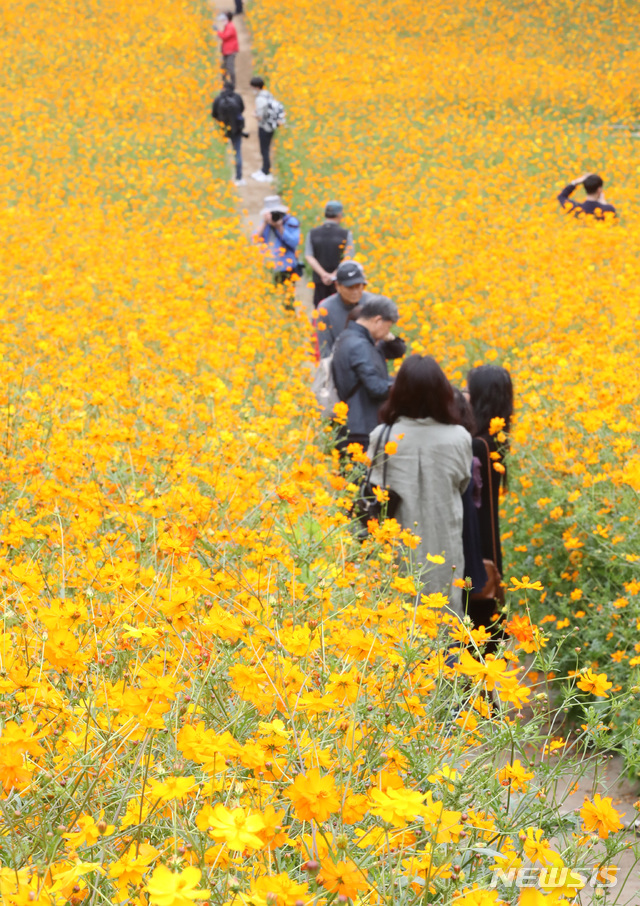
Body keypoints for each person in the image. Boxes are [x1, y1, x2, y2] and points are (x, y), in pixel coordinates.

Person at [369, 356, 472, 616]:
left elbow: (376, 490)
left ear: (398, 392)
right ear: (443, 393)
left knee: (397, 614)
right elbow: (462, 484)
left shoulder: (381, 436)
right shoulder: (459, 437)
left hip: (397, 545)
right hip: (443, 540)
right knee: (445, 613)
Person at [466, 364, 514, 633]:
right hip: (488, 536)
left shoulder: (479, 444)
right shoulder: (496, 438)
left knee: (480, 599)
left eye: (469, 391)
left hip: (479, 536)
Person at [331, 295, 405, 451]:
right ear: (378, 320)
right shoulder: (360, 345)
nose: (387, 332)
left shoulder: (347, 337)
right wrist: (405, 386)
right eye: (388, 326)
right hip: (360, 430)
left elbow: (397, 351)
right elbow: (376, 387)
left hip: (353, 424)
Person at [316, 261, 372, 358]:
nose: (355, 292)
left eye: (358, 286)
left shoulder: (372, 303)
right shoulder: (325, 309)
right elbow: (325, 348)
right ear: (337, 286)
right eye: (350, 287)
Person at [305, 202, 355, 307]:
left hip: (319, 281)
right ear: (340, 215)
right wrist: (334, 275)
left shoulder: (312, 233)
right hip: (339, 281)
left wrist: (323, 274)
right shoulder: (346, 234)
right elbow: (348, 257)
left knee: (320, 309)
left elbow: (309, 256)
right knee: (338, 309)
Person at [257, 196, 301, 293]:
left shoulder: (290, 222)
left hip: (286, 267)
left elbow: (294, 242)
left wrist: (280, 227)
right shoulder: (264, 223)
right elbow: (255, 239)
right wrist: (265, 223)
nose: (274, 215)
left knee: (287, 297)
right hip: (269, 267)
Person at [250, 77, 284, 183]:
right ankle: (264, 170)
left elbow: (260, 116)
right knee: (266, 149)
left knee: (264, 150)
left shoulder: (260, 98)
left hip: (265, 127)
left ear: (256, 87)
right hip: (271, 125)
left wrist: (254, 114)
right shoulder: (268, 94)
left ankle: (266, 172)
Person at [212, 81, 246, 186]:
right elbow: (242, 109)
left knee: (221, 152)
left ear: (223, 88)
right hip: (236, 130)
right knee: (237, 152)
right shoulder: (237, 97)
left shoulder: (218, 99)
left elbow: (214, 114)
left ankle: (221, 178)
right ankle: (239, 178)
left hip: (222, 130)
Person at [215, 13, 239, 88]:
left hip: (230, 51)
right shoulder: (228, 26)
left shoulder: (230, 26)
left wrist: (218, 31)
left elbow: (224, 36)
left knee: (229, 67)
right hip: (227, 51)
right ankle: (225, 84)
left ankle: (233, 84)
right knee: (224, 68)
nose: (222, 21)